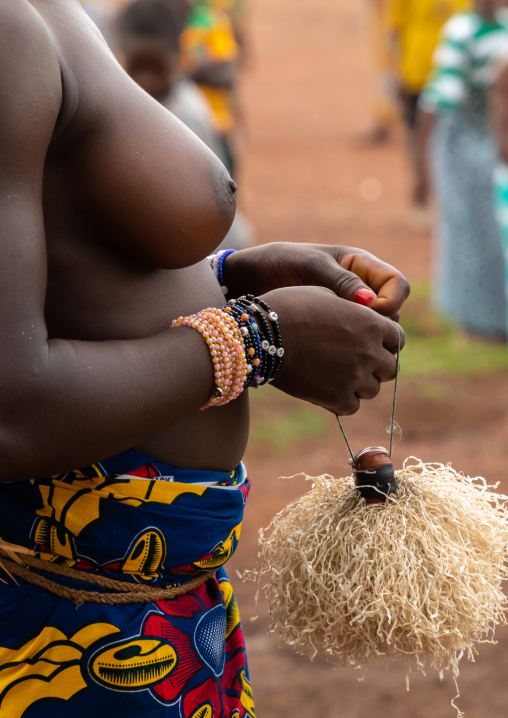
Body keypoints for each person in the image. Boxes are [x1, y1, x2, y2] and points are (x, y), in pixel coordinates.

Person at [0, 1, 409, 716]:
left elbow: (66, 261)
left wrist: (236, 274)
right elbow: (9, 413)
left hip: (158, 622)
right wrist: (259, 338)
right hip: (64, 642)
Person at [116, 0, 253, 250]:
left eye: (155, 68)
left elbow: (207, 209)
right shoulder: (119, 106)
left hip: (204, 248)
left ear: (176, 57)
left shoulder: (187, 116)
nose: (147, 81)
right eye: (138, 67)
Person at [415, 0, 508, 338]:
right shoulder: (462, 32)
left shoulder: (502, 26)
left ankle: (495, 320)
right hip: (463, 144)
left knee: (493, 233)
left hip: (493, 137)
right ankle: (477, 323)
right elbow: (434, 104)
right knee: (470, 231)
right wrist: (421, 171)